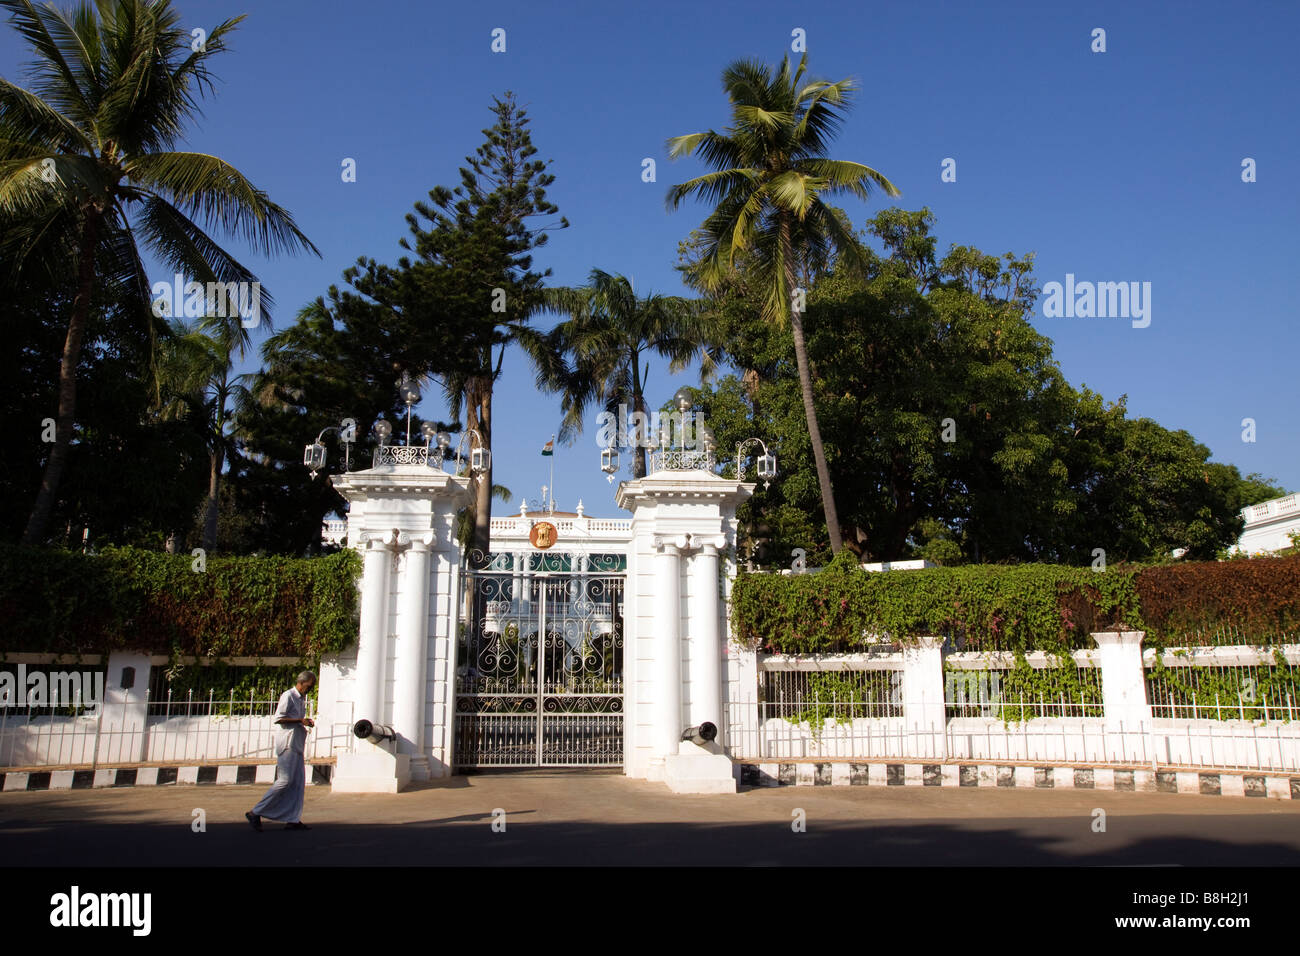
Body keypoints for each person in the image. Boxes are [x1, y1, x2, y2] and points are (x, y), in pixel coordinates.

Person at [246, 671, 316, 832]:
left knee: (297, 783)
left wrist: (304, 722)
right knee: (285, 780)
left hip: (296, 743)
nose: (310, 688)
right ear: (302, 682)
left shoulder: (300, 698)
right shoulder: (288, 696)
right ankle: (255, 812)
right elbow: (279, 718)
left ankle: (292, 819)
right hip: (287, 744)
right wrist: (300, 720)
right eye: (309, 684)